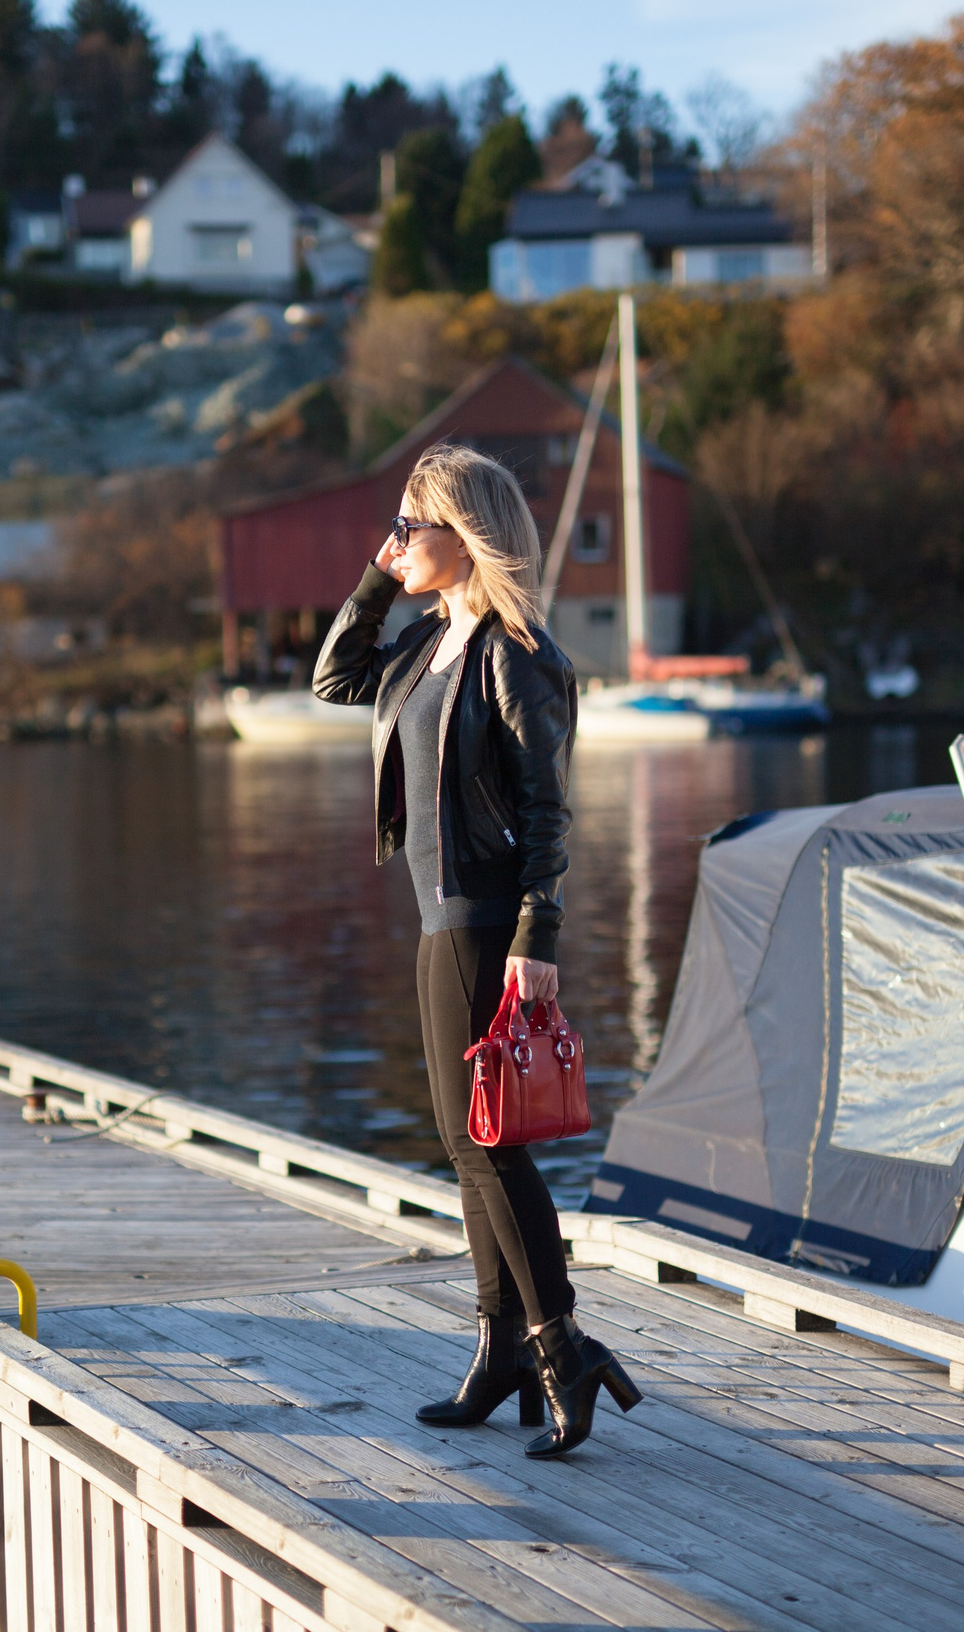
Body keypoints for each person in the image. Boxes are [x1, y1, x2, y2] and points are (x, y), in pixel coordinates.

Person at [313, 442, 642, 1459]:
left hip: (488, 917)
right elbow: (332, 677)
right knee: (466, 1145)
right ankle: (500, 1350)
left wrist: (537, 938)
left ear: (467, 536)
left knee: (490, 1144)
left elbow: (549, 812)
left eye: (412, 527)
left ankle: (559, 1345)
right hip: (434, 913)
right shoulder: (418, 643)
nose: (397, 542)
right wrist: (378, 575)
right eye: (399, 528)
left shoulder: (519, 654)